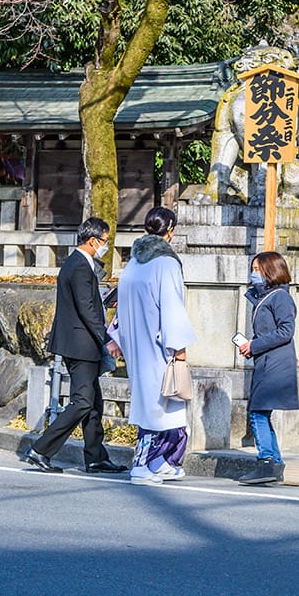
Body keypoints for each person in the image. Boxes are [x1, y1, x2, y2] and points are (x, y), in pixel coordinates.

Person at [22, 217, 123, 474]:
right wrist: (107, 339)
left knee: (93, 404)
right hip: (81, 344)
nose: (106, 245)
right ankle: (41, 449)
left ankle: (96, 457)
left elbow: (88, 303)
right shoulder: (79, 266)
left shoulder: (80, 263)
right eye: (104, 241)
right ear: (92, 240)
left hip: (80, 342)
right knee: (82, 402)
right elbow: (86, 309)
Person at [115, 206, 196, 483]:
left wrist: (118, 337)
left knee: (158, 405)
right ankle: (141, 464)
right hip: (159, 346)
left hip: (137, 342)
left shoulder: (135, 260)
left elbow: (122, 301)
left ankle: (159, 461)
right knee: (158, 407)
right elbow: (172, 307)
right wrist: (179, 347)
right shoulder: (167, 262)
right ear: (170, 229)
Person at [238, 251, 298, 486]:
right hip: (267, 360)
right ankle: (275, 462)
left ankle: (266, 461)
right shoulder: (266, 296)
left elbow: (286, 330)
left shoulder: (280, 297)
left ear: (270, 270)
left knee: (257, 412)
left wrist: (254, 344)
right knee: (262, 411)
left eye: (258, 268)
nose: (254, 273)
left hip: (275, 363)